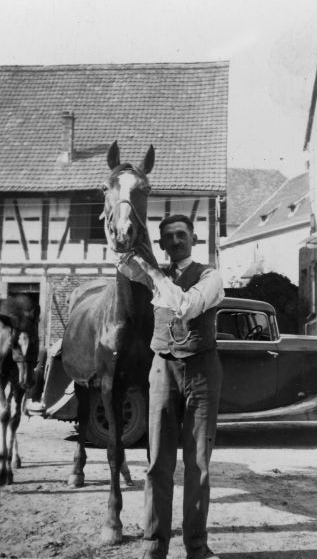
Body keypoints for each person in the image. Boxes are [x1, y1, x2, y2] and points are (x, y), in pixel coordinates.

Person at [117, 214, 224, 559]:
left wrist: (153, 272)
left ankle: (196, 546)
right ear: (161, 243)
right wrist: (125, 231)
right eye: (169, 237)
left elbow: (185, 305)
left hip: (202, 371)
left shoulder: (211, 276)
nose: (176, 241)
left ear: (194, 238)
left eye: (182, 234)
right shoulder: (156, 276)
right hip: (163, 367)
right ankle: (153, 545)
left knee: (198, 465)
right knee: (158, 462)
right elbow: (122, 262)